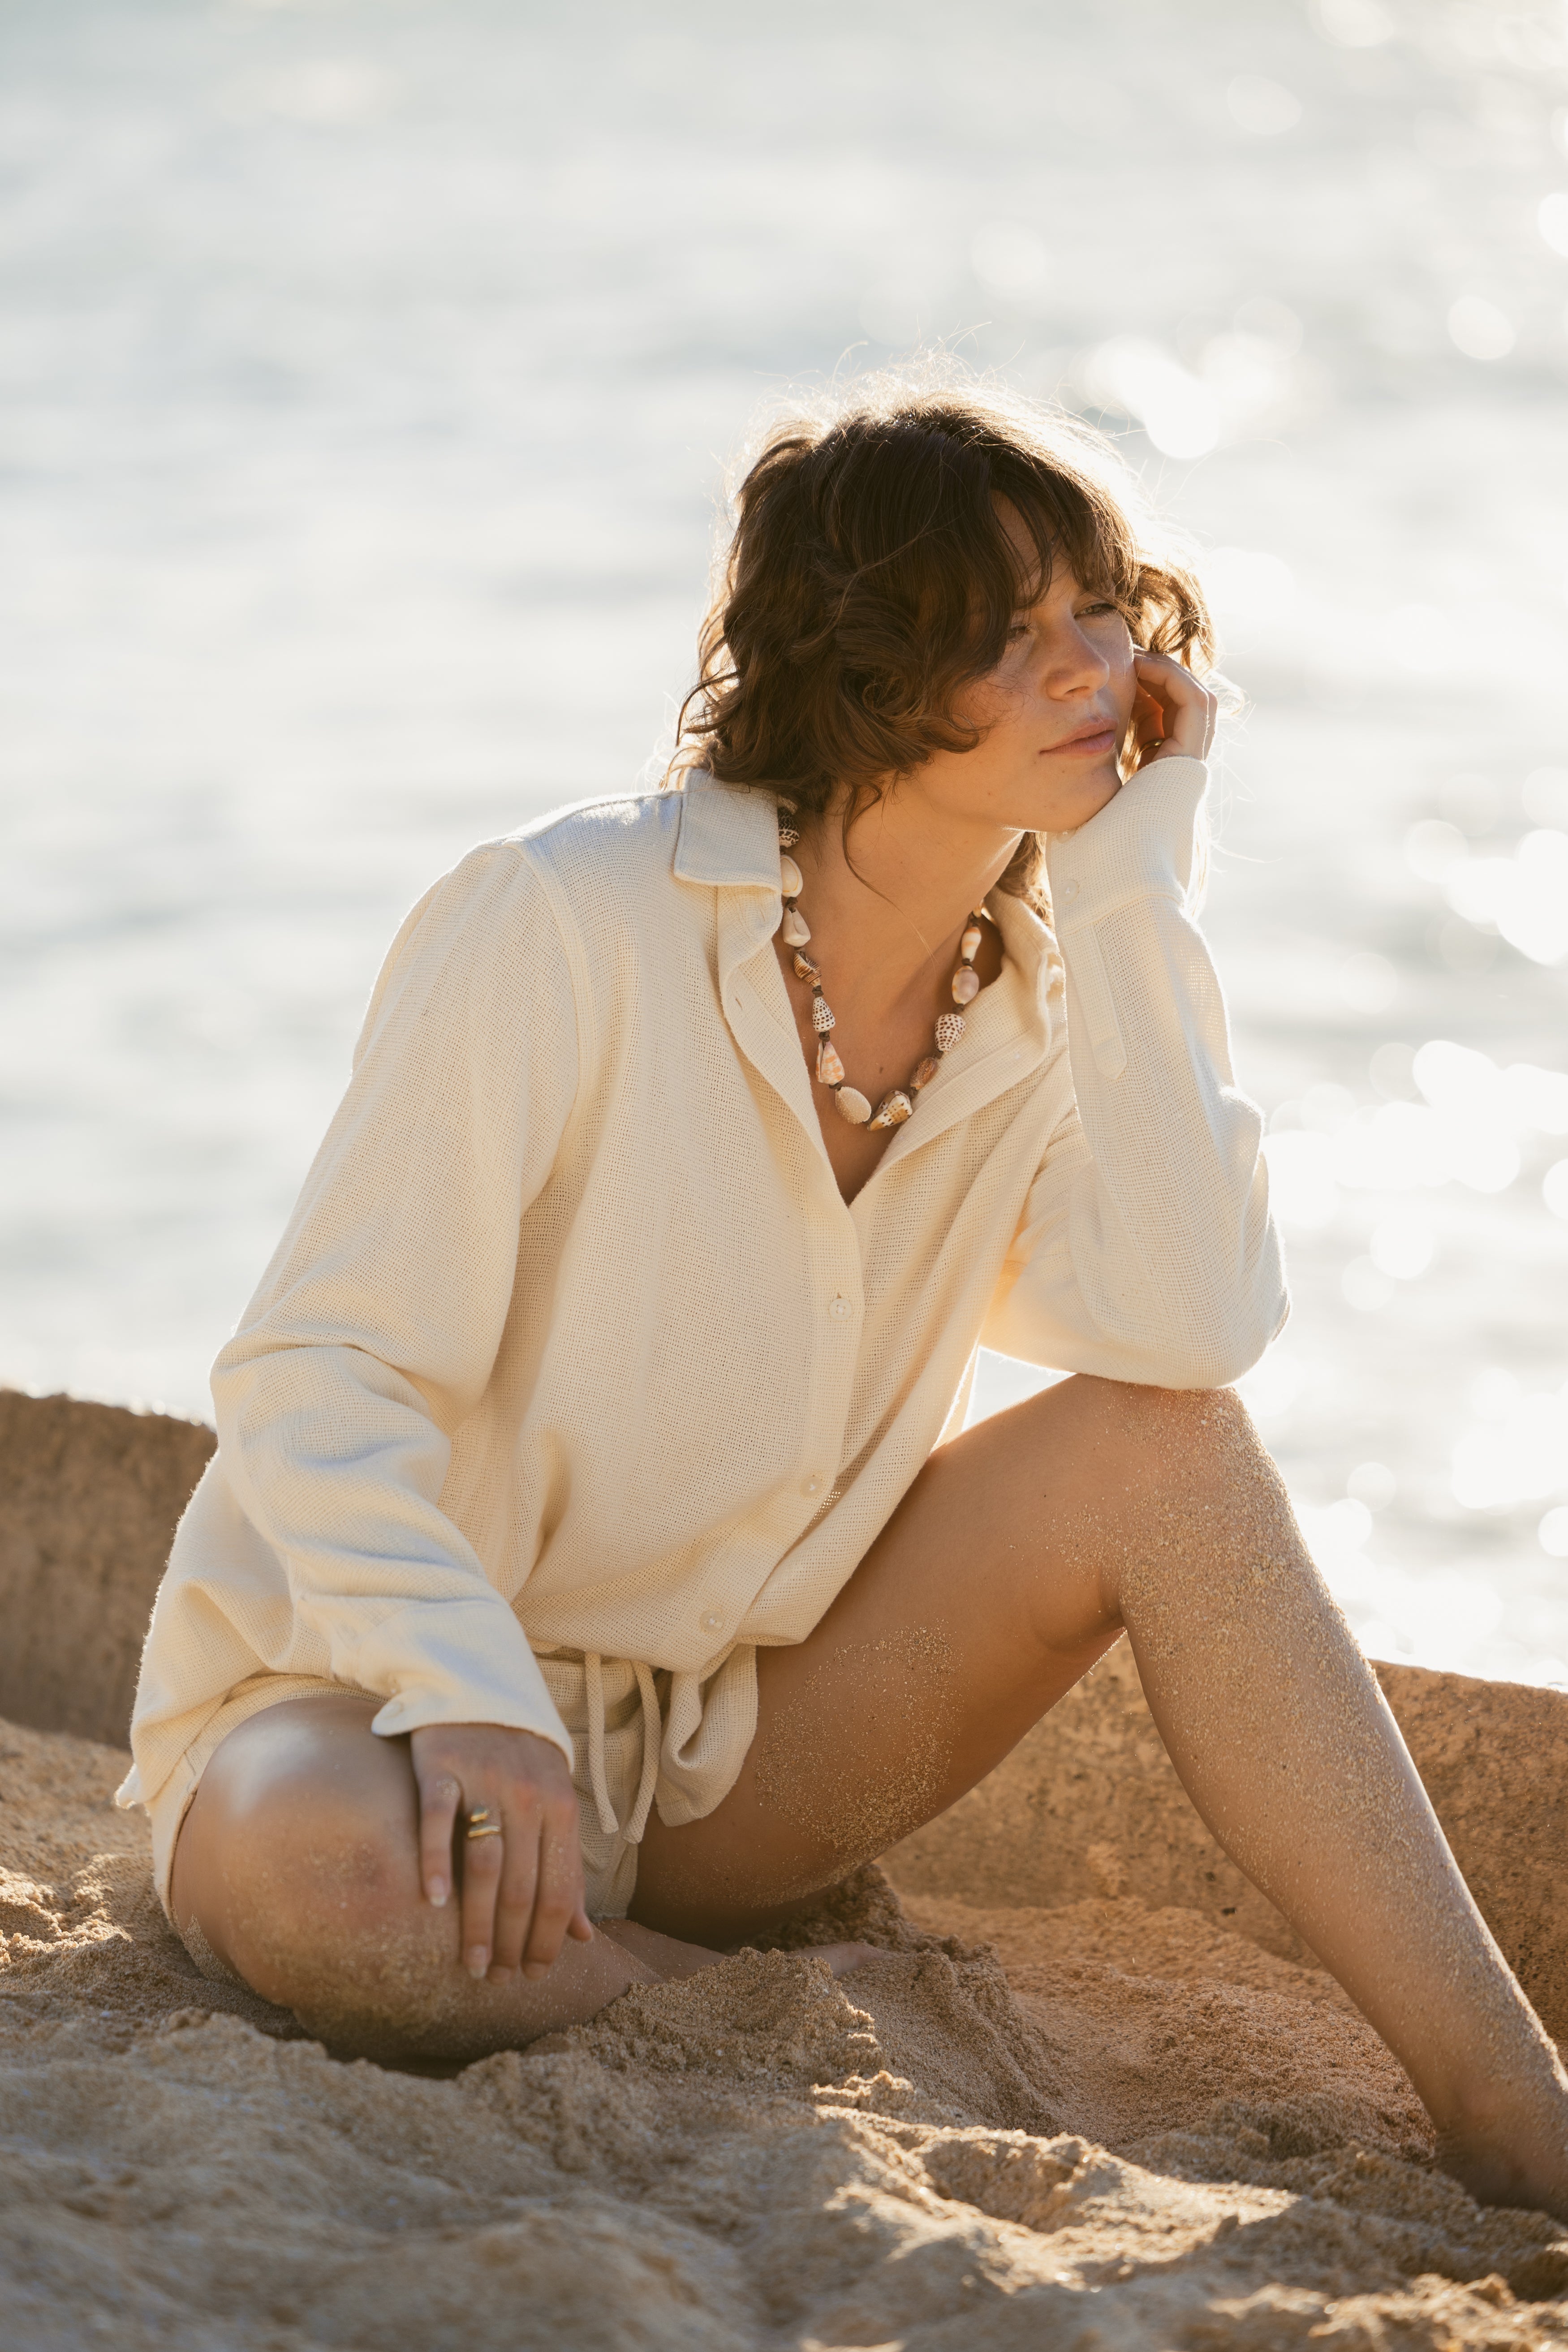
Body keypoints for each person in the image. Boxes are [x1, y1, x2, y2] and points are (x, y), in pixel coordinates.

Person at [121, 373, 1568, 2217]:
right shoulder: (557, 918)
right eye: (1009, 631)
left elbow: (1191, 1327)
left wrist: (1135, 888)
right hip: (366, 1711)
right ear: (871, 671)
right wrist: (464, 1691)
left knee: (1167, 1448)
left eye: (1096, 610)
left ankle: (1513, 2108)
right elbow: (316, 1367)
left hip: (724, 1760)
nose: (1088, 668)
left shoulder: (1049, 1004)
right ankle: (809, 2048)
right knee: (326, 1883)